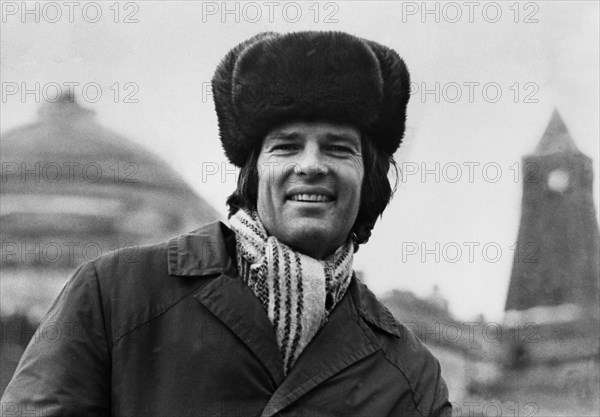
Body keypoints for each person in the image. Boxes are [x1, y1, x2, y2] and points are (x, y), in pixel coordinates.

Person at [2, 31, 451, 416]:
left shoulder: (409, 374)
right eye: (286, 147)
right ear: (253, 177)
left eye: (338, 148)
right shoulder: (116, 295)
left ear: (367, 180)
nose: (311, 165)